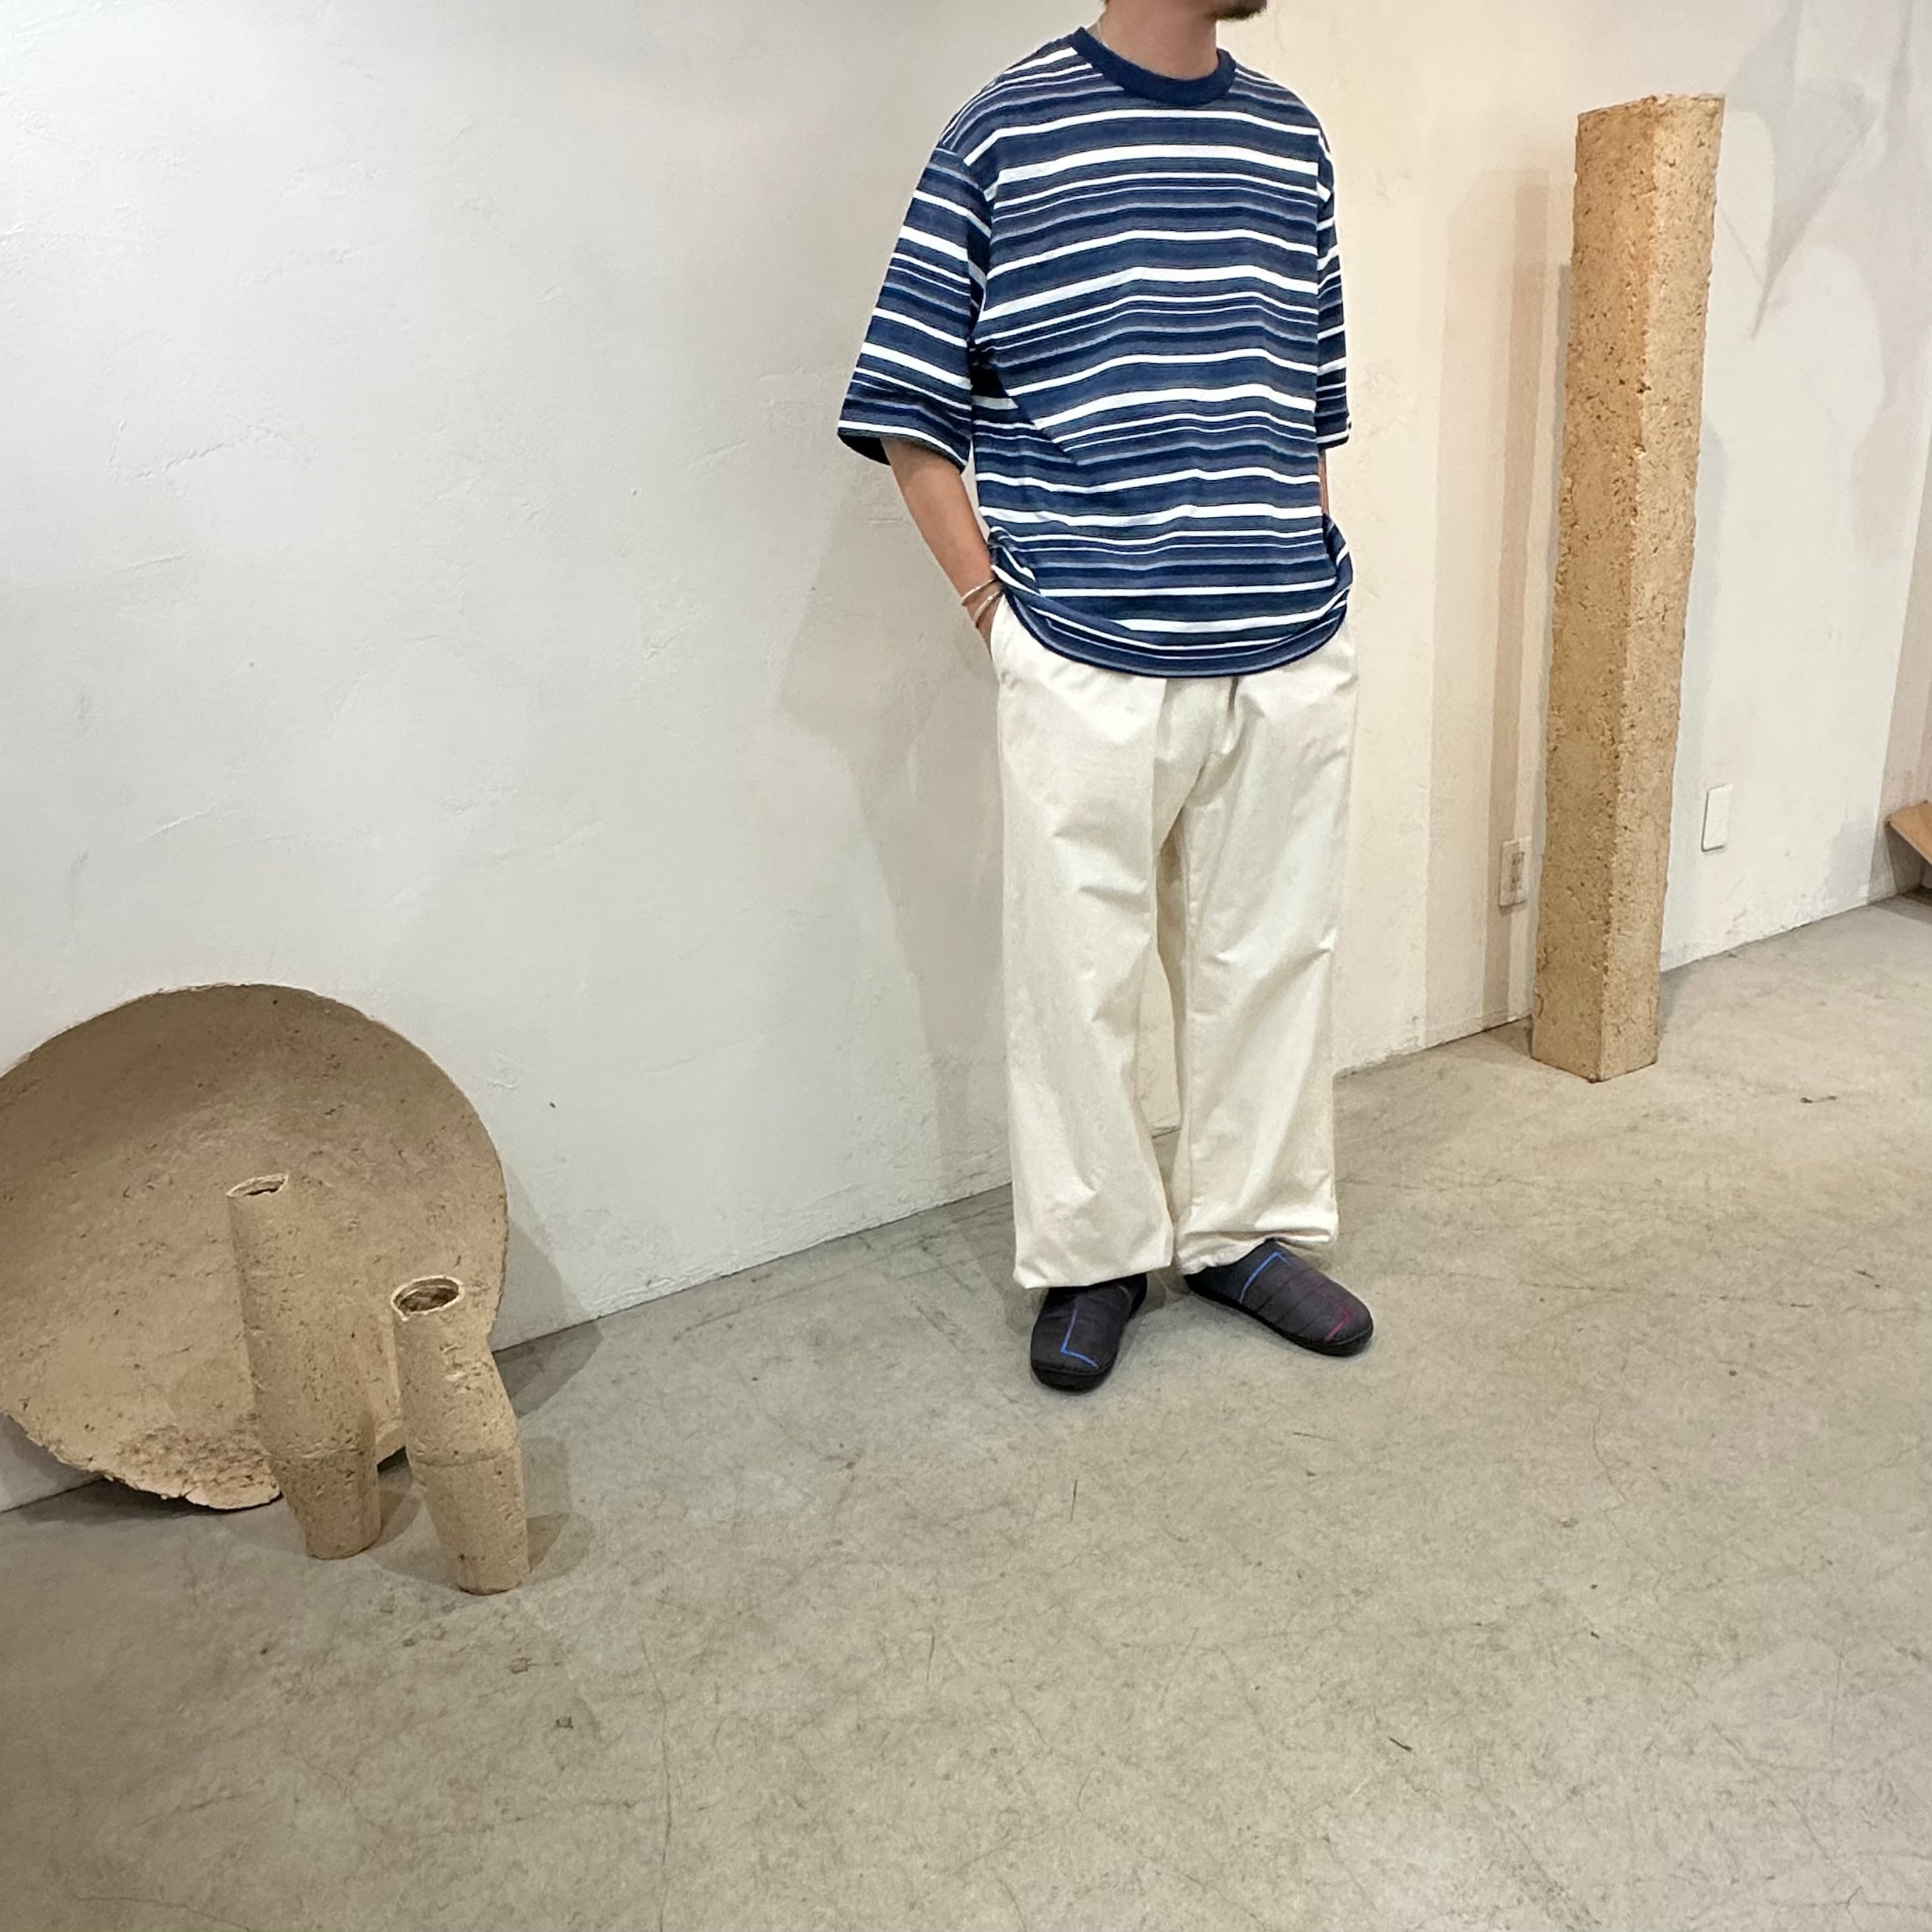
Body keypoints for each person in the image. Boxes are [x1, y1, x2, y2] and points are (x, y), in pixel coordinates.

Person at [838, 0, 1373, 1392]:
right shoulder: (1002, 132)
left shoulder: (1287, 139)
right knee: (1078, 974)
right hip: (1083, 639)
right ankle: (1092, 1253)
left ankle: (1243, 1231)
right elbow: (907, 404)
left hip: (1284, 634)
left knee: (1272, 951)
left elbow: (1310, 397)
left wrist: (1307, 549)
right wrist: (993, 611)